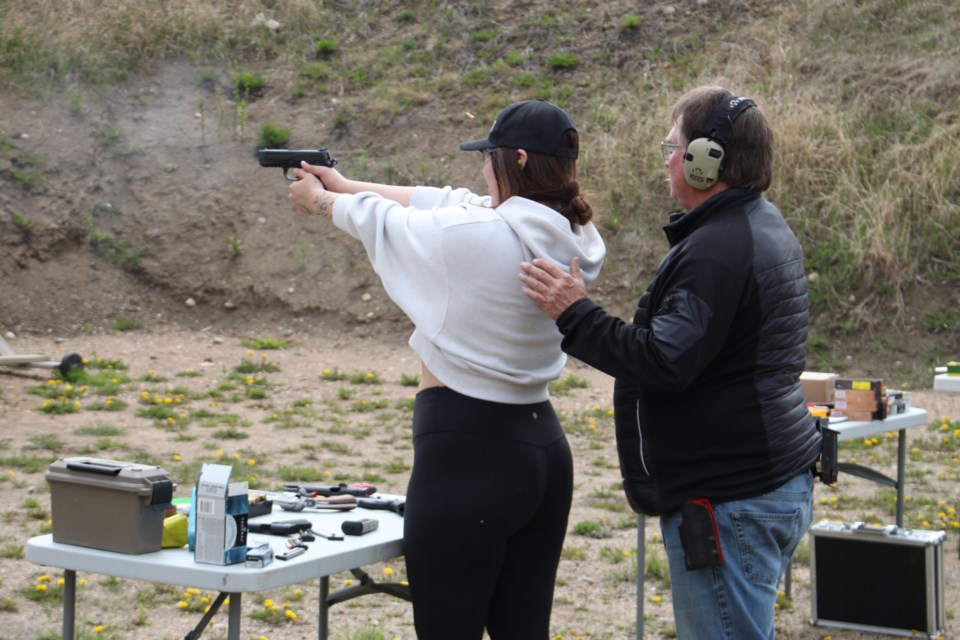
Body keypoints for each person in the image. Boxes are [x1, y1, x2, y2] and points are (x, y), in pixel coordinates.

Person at [287, 99, 606, 639]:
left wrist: (320, 202)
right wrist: (343, 182)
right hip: (543, 452)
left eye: (490, 157)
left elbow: (387, 220)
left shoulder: (472, 237)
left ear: (520, 160)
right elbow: (446, 202)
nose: (483, 168)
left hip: (468, 456)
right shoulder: (572, 236)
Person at [518, 85, 822, 640]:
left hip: (731, 496)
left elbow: (662, 360)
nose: (666, 158)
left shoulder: (717, 249)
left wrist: (576, 313)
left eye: (673, 146)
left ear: (706, 162)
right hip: (762, 480)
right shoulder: (756, 223)